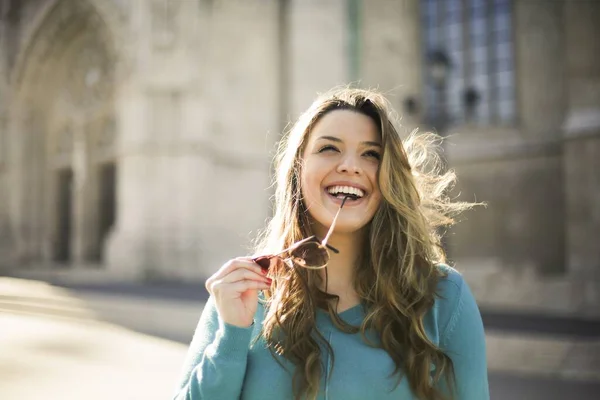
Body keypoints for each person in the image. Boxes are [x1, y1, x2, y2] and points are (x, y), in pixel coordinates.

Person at [173, 88, 489, 400]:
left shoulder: (442, 296)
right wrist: (231, 336)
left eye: (371, 154)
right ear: (298, 168)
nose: (350, 165)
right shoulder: (243, 294)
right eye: (329, 149)